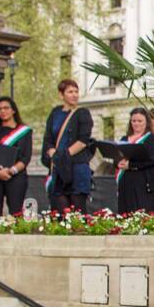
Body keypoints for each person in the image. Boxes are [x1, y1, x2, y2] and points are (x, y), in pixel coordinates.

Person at [40, 79, 95, 214]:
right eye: (70, 92)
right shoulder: (55, 113)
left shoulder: (82, 113)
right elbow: (48, 138)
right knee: (60, 209)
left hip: (77, 166)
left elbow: (83, 140)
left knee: (77, 209)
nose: (74, 95)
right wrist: (52, 152)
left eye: (76, 91)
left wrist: (63, 155)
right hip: (59, 168)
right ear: (61, 94)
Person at [0, 97, 33, 219]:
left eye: (6, 108)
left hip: (16, 176)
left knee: (16, 213)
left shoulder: (24, 131)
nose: (3, 111)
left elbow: (26, 157)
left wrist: (11, 171)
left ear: (13, 110)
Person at [115, 107, 154, 213]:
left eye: (139, 121)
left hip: (144, 183)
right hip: (126, 183)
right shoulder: (124, 139)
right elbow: (117, 157)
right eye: (134, 121)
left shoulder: (151, 139)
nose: (136, 124)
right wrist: (118, 162)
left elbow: (153, 159)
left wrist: (131, 165)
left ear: (146, 122)